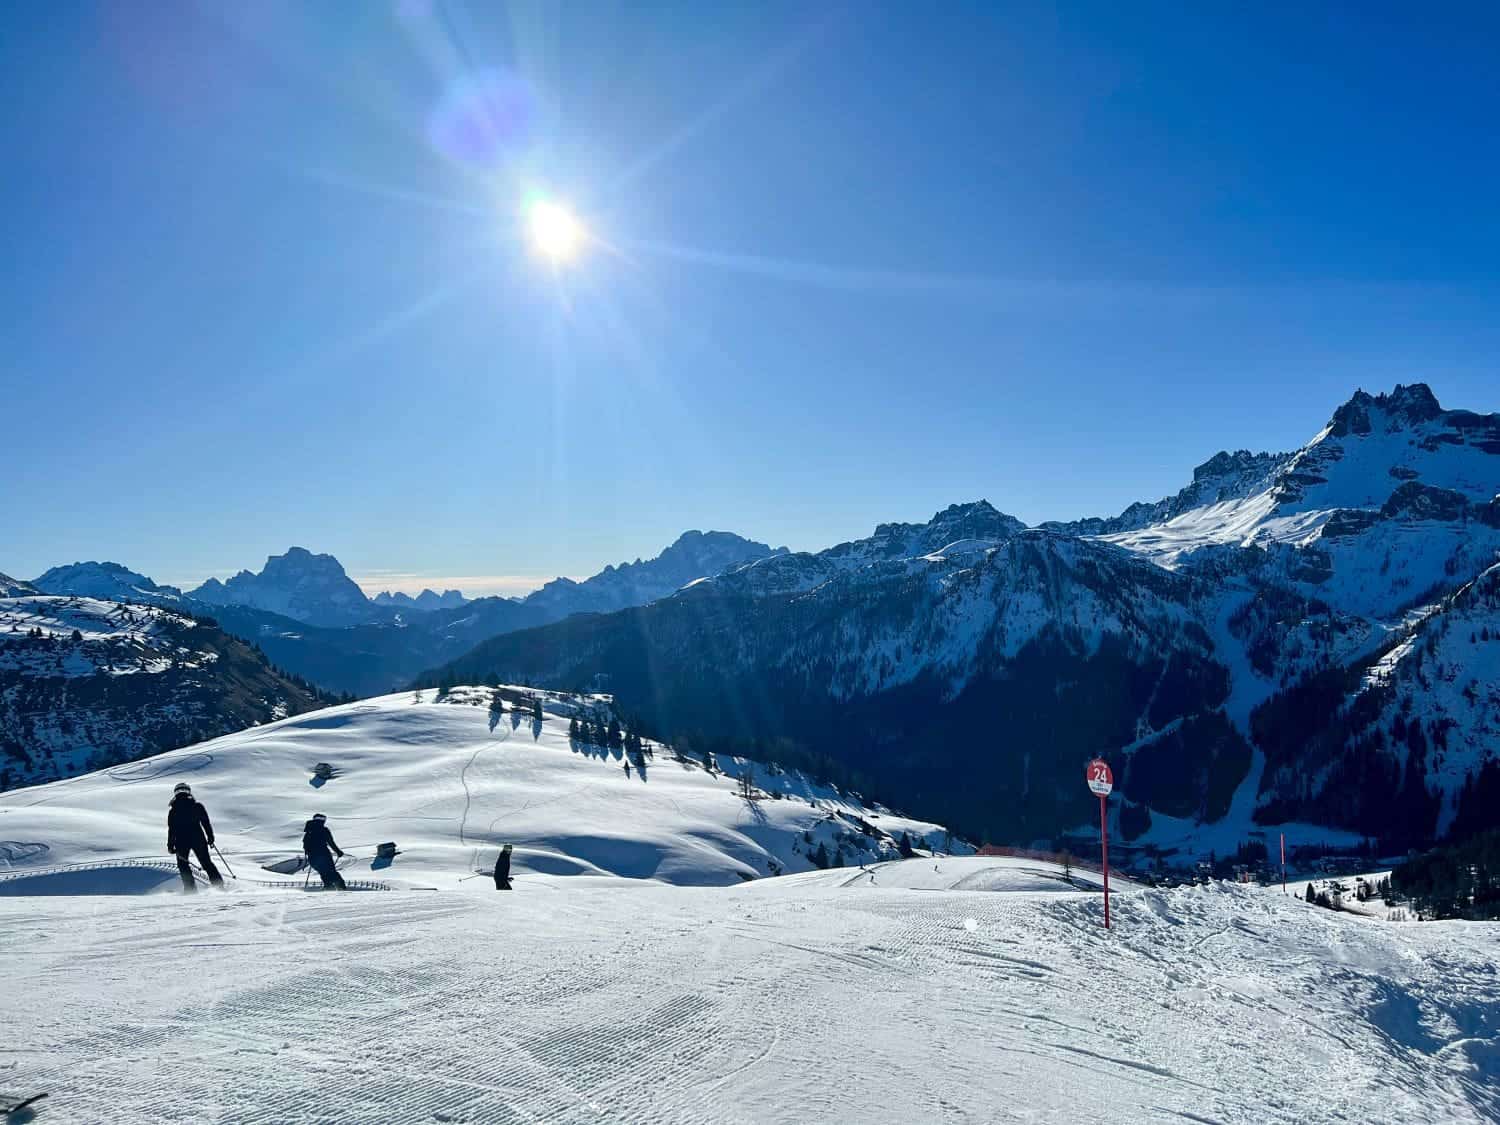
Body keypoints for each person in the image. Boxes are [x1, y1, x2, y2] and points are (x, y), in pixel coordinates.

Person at [167, 782, 223, 892]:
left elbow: (172, 829)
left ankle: (190, 889)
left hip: (181, 840)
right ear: (189, 792)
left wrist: (170, 845)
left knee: (183, 865)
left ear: (175, 793)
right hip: (198, 838)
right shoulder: (197, 806)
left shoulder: (173, 810)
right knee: (206, 862)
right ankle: (219, 886)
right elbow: (206, 823)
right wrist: (210, 837)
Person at [302, 813, 348, 890]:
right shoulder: (324, 830)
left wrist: (308, 853)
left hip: (312, 856)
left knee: (323, 871)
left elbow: (305, 844)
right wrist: (338, 852)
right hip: (323, 854)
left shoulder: (309, 830)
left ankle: (328, 886)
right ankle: (340, 887)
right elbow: (331, 842)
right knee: (331, 871)